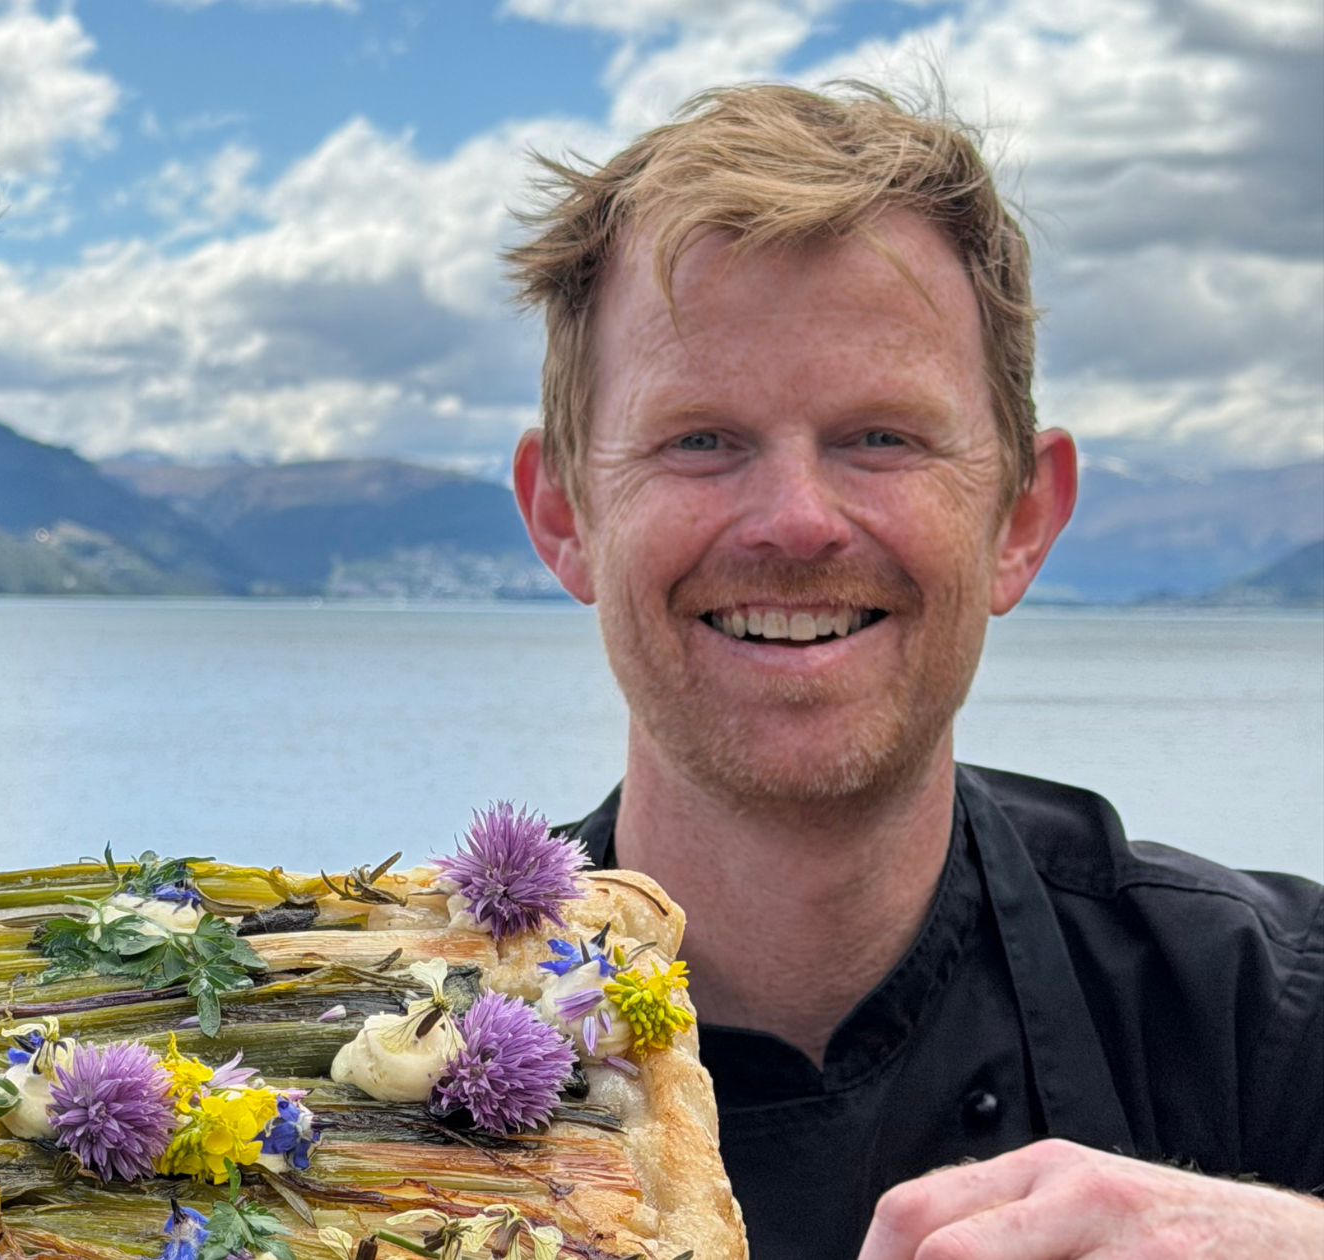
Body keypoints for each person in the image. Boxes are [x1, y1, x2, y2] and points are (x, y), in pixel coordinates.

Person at [504, 83, 1324, 1259]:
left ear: (1020, 518)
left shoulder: (1260, 1015)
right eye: (699, 440)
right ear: (562, 514)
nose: (794, 522)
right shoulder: (358, 1061)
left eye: (879, 437)